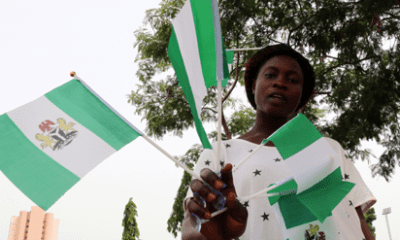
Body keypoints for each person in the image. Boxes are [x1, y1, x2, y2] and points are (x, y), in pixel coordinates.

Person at [181, 44, 376, 240]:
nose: (280, 83)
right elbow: (193, 227)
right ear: (253, 84)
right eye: (270, 75)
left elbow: (357, 221)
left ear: (303, 96)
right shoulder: (220, 153)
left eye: (292, 80)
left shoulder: (325, 148)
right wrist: (211, 231)